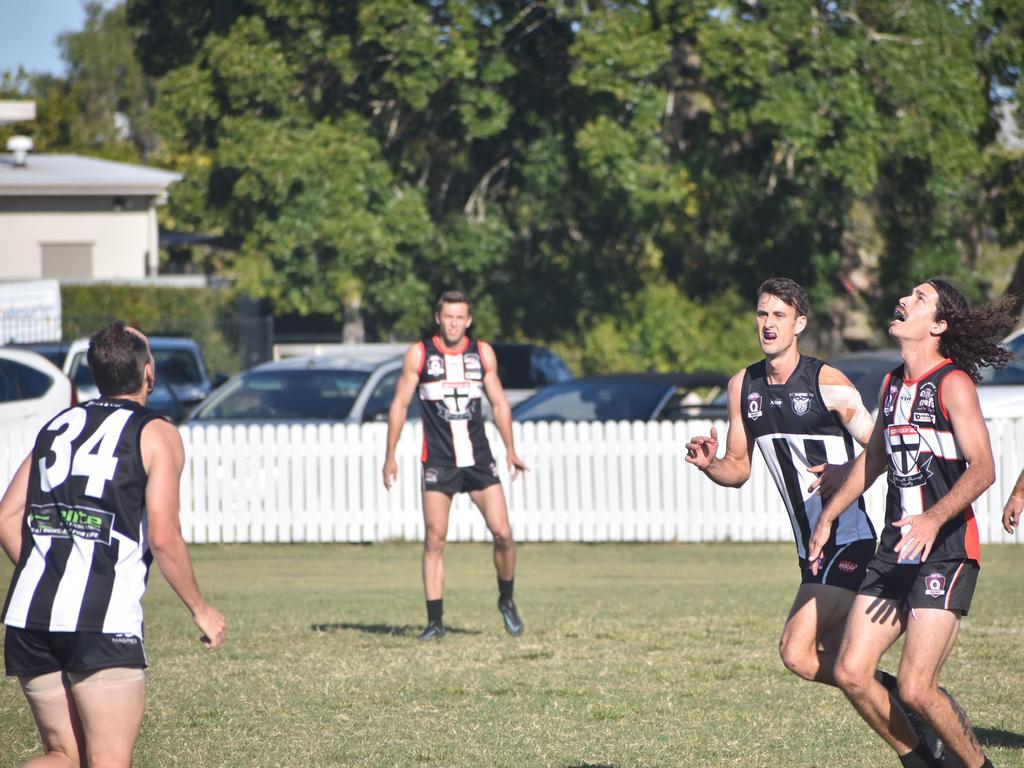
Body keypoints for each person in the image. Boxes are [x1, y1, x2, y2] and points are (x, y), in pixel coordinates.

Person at [684, 278, 940, 743]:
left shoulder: (828, 383)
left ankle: (911, 710)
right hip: (811, 549)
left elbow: (882, 450)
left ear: (799, 324)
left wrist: (846, 472)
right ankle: (913, 713)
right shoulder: (743, 386)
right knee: (843, 661)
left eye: (778, 316)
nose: (768, 324)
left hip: (851, 538)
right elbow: (738, 469)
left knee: (797, 652)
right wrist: (711, 465)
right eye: (762, 314)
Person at [809, 278, 1015, 768]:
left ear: (938, 325)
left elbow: (983, 468)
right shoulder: (892, 384)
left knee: (916, 689)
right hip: (894, 552)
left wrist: (932, 518)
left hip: (945, 550)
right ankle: (919, 760)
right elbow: (874, 458)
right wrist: (828, 518)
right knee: (851, 670)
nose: (903, 300)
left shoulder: (953, 384)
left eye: (919, 299)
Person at [0, 321, 226, 768]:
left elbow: (7, 516)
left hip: (30, 617)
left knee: (64, 756)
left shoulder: (58, 424)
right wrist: (201, 609)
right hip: (99, 624)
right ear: (149, 373)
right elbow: (163, 535)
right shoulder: (156, 433)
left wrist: (52, 570)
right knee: (107, 760)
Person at [383, 291, 528, 640]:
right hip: (439, 459)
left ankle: (506, 599)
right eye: (448, 316)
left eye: (460, 317)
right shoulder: (420, 355)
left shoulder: (482, 354)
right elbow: (400, 405)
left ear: (469, 320)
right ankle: (435, 622)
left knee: (504, 534)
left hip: (477, 457)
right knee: (434, 539)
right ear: (438, 318)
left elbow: (499, 403)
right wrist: (390, 454)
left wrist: (510, 449)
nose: (454, 323)